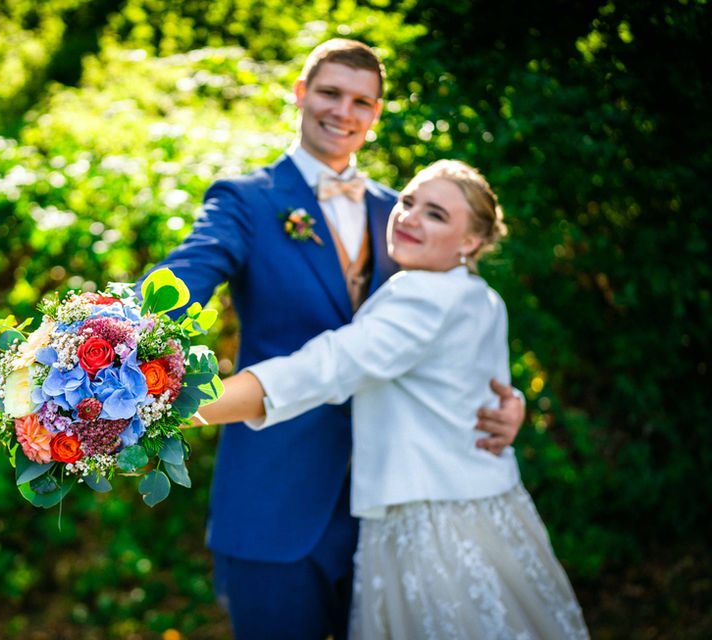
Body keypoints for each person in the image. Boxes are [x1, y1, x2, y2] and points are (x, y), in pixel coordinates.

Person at [145, 39, 525, 638]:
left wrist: (505, 401)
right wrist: (123, 339)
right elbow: (186, 275)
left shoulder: (398, 210)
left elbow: (454, 323)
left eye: (361, 101)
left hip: (390, 503)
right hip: (275, 498)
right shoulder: (246, 199)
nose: (343, 111)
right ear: (300, 94)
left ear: (376, 114)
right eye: (329, 93)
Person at [194, 159, 590, 639]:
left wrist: (176, 407)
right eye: (407, 202)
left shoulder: (421, 296)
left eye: (436, 215)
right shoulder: (480, 296)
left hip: (429, 527)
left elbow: (323, 368)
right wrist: (516, 403)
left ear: (471, 242)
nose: (408, 217)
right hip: (488, 509)